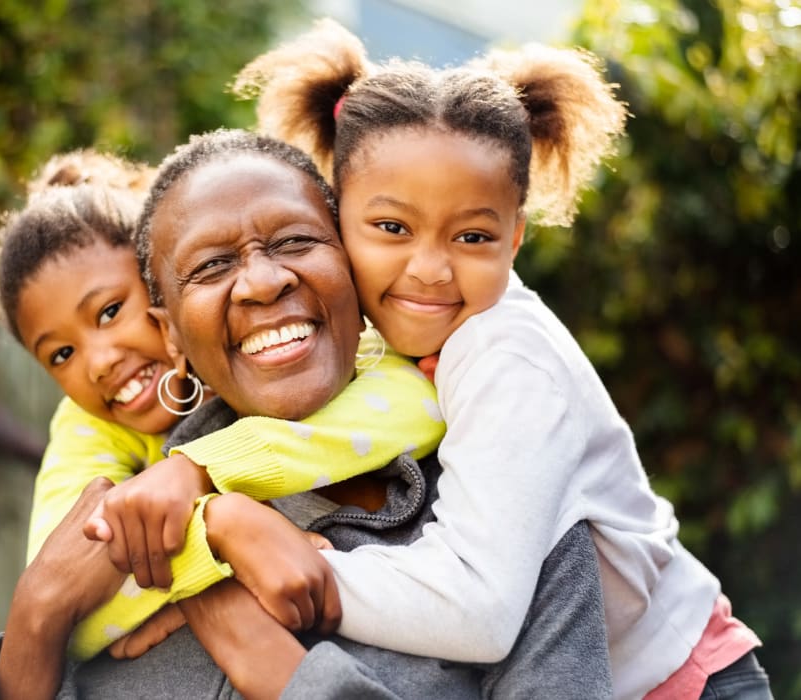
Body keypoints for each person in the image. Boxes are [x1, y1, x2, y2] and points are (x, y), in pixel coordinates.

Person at [230, 18, 772, 699]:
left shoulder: (506, 356)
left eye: (472, 235)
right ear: (336, 217)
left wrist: (312, 571)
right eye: (392, 228)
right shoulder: (379, 340)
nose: (429, 269)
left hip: (684, 684)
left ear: (514, 239)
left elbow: (480, 610)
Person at [0, 128, 613, 699]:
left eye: (297, 241)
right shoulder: (133, 534)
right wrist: (39, 614)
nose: (261, 281)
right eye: (212, 265)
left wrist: (275, 667)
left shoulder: (510, 516)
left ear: (355, 268)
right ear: (170, 334)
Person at [0, 149, 445, 661]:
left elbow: (418, 403)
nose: (97, 362)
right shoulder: (86, 426)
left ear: (163, 283)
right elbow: (61, 585)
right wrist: (215, 544)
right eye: (62, 354)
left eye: (112, 311)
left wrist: (203, 472)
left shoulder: (324, 343)